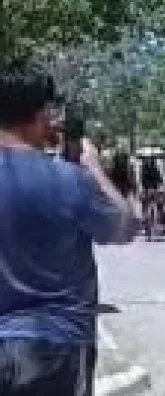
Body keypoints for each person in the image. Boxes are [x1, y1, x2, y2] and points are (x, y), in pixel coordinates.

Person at [0, 60, 137, 396]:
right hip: (58, 344)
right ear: (40, 114)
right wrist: (95, 169)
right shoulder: (70, 181)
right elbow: (125, 227)